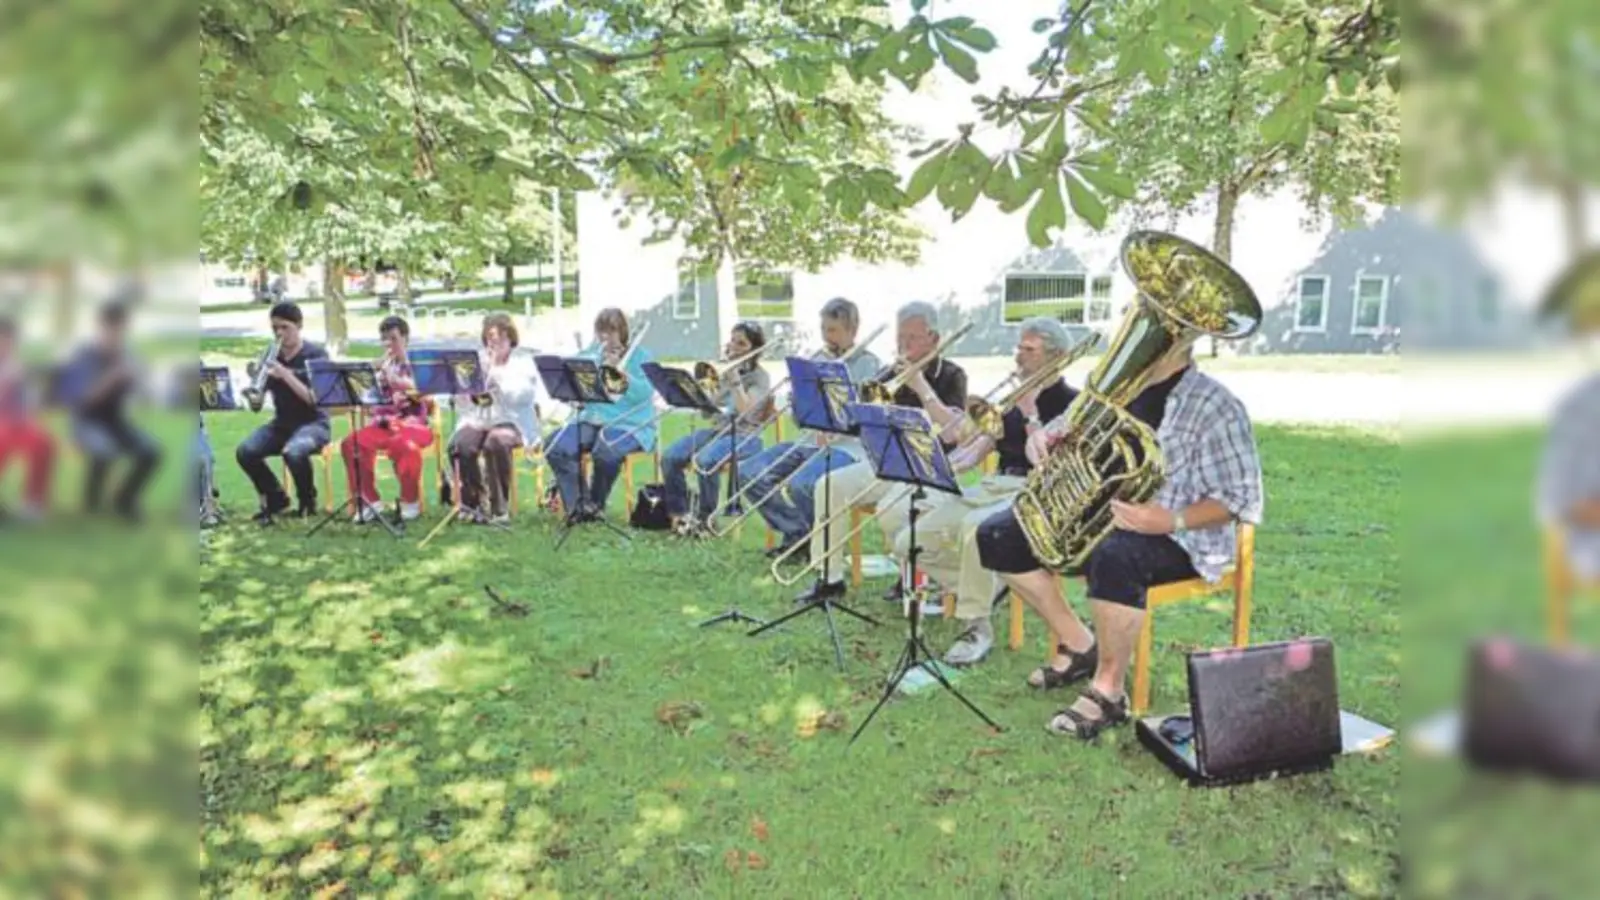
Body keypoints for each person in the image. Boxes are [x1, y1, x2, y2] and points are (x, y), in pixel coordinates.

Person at [974, 343, 1263, 741]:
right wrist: (1040, 441)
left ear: (1181, 340)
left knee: (1115, 556)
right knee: (998, 534)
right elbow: (1057, 429)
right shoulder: (1113, 387)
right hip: (1095, 515)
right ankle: (1079, 644)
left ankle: (1109, 690)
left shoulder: (1216, 404)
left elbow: (1241, 498)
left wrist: (1169, 519)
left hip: (1180, 534)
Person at [872, 318, 1079, 666]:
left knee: (976, 529)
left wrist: (1031, 414)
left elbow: (1049, 463)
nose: (1018, 356)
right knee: (910, 542)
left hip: (1037, 492)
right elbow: (974, 452)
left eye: (1029, 350)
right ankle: (988, 586)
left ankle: (976, 626)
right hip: (995, 485)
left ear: (1056, 357)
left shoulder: (1072, 402)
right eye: (1019, 347)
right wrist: (936, 467)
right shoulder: (1011, 399)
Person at [792, 301, 968, 603]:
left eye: (912, 338)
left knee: (891, 508)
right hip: (891, 462)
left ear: (934, 339)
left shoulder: (952, 375)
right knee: (829, 485)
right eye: (900, 337)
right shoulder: (888, 373)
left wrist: (921, 387)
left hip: (930, 469)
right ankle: (829, 578)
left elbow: (954, 432)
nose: (904, 345)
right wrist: (838, 423)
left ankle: (913, 574)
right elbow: (864, 420)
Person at [741, 298, 882, 556]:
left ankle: (816, 544)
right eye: (824, 329)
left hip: (848, 449)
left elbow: (867, 417)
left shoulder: (869, 364)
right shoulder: (816, 359)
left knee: (801, 484)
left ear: (853, 329)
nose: (827, 337)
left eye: (833, 330)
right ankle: (800, 533)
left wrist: (836, 421)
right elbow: (799, 419)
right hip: (809, 442)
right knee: (749, 472)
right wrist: (799, 400)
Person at [661, 321, 774, 535]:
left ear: (755, 349)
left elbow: (746, 412)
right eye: (732, 341)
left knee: (706, 461)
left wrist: (735, 381)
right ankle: (680, 516)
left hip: (745, 436)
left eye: (741, 343)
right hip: (718, 432)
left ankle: (706, 520)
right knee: (670, 457)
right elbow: (707, 413)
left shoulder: (760, 377)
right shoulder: (724, 371)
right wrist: (701, 392)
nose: (734, 347)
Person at [544, 308, 658, 520]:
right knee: (556, 445)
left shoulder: (641, 356)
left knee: (606, 451)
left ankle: (596, 505)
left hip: (630, 424)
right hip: (592, 420)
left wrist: (620, 373)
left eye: (611, 331)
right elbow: (575, 372)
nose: (605, 337)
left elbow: (644, 393)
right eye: (601, 331)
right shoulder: (593, 353)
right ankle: (579, 505)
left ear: (622, 332)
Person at [234, 302, 332, 521]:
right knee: (246, 451)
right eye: (275, 328)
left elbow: (315, 400)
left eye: (285, 327)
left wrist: (285, 374)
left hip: (314, 423)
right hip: (282, 423)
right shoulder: (271, 356)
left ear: (299, 325)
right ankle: (276, 498)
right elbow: (257, 407)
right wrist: (255, 393)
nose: (279, 333)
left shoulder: (316, 354)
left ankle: (307, 502)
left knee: (294, 451)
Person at [66, 303, 162, 520]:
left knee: (152, 451)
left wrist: (138, 381)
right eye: (111, 329)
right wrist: (112, 378)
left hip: (115, 421)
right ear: (101, 327)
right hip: (86, 421)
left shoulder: (126, 355)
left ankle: (124, 499)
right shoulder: (84, 356)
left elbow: (144, 396)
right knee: (104, 450)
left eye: (120, 329)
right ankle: (91, 502)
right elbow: (82, 399)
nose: (115, 335)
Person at [338, 316, 434, 522]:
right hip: (383, 425)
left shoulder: (418, 364)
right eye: (384, 340)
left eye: (393, 339)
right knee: (351, 443)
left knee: (405, 446)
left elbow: (428, 397)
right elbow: (369, 403)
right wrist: (368, 385)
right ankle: (369, 502)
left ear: (405, 339)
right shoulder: (382, 367)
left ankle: (410, 501)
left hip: (413, 425)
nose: (388, 345)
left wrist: (398, 381)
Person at [447, 314, 541, 522]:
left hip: (511, 420)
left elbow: (524, 397)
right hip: (479, 419)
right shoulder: (477, 362)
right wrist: (464, 390)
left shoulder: (522, 362)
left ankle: (499, 508)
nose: (494, 342)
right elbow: (464, 404)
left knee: (496, 442)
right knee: (461, 445)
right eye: (490, 337)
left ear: (510, 338)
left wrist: (498, 380)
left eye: (500, 337)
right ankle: (473, 503)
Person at [0, 316, 55, 521]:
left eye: (9, 340)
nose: (5, 345)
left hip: (17, 421)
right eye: (2, 340)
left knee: (44, 442)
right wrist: (6, 382)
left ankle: (33, 502)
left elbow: (31, 403)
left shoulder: (16, 366)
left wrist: (29, 390)